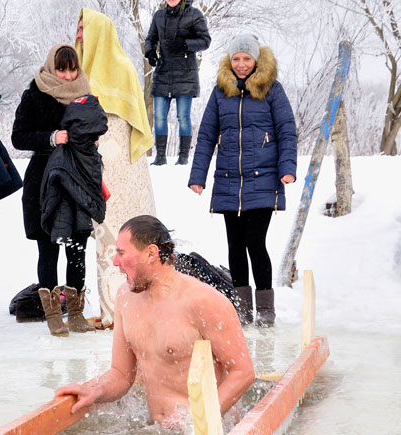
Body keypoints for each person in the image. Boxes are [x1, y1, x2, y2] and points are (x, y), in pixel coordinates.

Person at [56, 215, 255, 427]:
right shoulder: (125, 297)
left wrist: (198, 422)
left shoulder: (203, 301)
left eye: (122, 253)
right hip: (157, 432)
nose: (115, 262)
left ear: (151, 253)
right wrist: (95, 391)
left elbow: (243, 372)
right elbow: (122, 374)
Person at [188, 34, 297, 327]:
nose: (241, 64)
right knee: (234, 245)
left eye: (246, 59)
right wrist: (198, 176)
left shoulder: (271, 90)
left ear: (256, 60)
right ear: (230, 60)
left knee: (255, 242)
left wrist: (287, 168)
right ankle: (241, 310)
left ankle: (265, 312)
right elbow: (207, 135)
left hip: (263, 179)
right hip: (228, 180)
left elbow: (287, 130)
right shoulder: (220, 92)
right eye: (236, 59)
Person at [76, 9, 156, 329]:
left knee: (128, 239)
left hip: (122, 166)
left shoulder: (121, 69)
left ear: (99, 32)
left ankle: (140, 312)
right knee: (104, 242)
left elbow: (135, 126)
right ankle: (113, 314)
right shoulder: (77, 74)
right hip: (92, 167)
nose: (79, 32)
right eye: (78, 27)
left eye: (85, 27)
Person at [12, 44, 98, 336]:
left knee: (77, 248)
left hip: (77, 181)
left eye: (72, 68)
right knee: (48, 249)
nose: (67, 75)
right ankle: (52, 315)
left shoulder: (87, 96)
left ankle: (75, 314)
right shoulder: (35, 94)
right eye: (62, 69)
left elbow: (98, 129)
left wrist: (89, 143)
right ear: (52, 67)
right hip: (44, 181)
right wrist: (51, 137)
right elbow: (18, 137)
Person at [145, 0, 210, 165]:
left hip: (185, 74)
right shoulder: (159, 16)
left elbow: (205, 40)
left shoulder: (194, 14)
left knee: (183, 116)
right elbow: (150, 38)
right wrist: (150, 51)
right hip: (163, 72)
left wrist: (185, 44)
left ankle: (183, 158)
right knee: (159, 116)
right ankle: (160, 157)